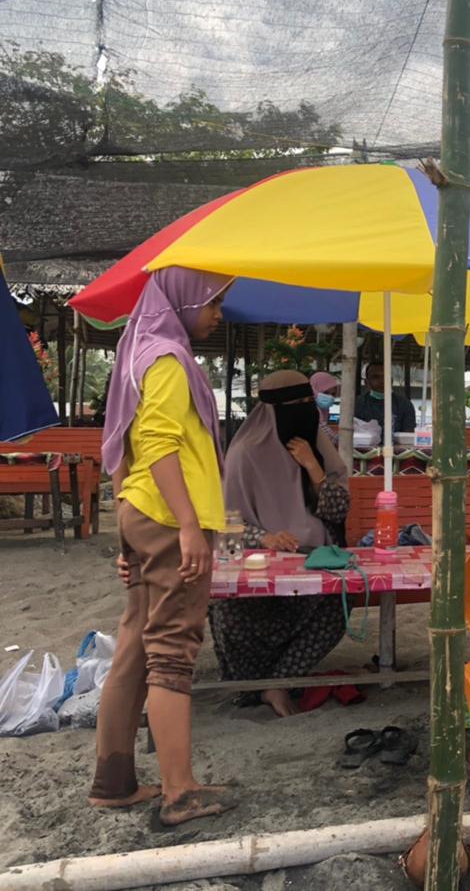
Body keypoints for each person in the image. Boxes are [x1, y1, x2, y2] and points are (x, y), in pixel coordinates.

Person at [93, 266, 237, 827]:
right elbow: (156, 443)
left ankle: (113, 783)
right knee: (173, 650)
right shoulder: (170, 360)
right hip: (168, 516)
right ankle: (179, 791)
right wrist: (188, 525)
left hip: (140, 509)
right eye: (213, 302)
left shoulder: (137, 352)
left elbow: (118, 442)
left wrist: (125, 530)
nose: (218, 314)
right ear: (183, 299)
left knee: (135, 644)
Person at [210, 370, 351, 718]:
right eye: (295, 404)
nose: (304, 410)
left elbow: (338, 511)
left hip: (313, 557)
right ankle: (253, 688)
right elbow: (226, 526)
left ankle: (279, 683)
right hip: (259, 562)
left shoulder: (316, 444)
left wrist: (313, 467)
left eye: (308, 402)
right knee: (230, 612)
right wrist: (266, 537)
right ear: (272, 410)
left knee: (337, 608)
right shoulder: (244, 454)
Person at [353, 362, 414, 435]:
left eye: (385, 376)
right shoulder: (357, 403)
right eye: (375, 377)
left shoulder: (404, 404)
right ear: (366, 382)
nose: (382, 381)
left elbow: (408, 435)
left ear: (391, 381)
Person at [310, 370, 341, 446]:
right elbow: (331, 439)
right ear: (314, 390)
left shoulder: (323, 410)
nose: (330, 397)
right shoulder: (312, 410)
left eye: (333, 394)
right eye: (325, 393)